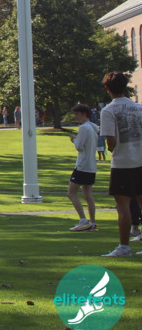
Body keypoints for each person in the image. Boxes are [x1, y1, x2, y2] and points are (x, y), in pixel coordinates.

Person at [98, 72, 142, 257]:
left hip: (123, 163)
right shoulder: (139, 108)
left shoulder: (108, 110)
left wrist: (111, 149)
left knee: (123, 206)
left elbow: (111, 141)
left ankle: (124, 247)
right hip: (140, 159)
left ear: (107, 88)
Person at [65, 104, 98, 232]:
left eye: (77, 114)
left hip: (82, 165)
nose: (76, 117)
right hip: (91, 166)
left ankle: (83, 220)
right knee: (87, 194)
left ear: (84, 114)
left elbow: (79, 146)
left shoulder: (84, 128)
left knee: (71, 193)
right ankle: (92, 222)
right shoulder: (93, 127)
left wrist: (74, 140)